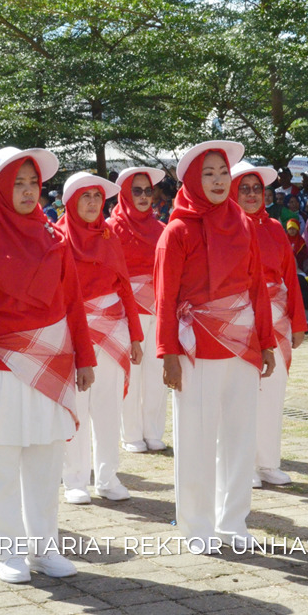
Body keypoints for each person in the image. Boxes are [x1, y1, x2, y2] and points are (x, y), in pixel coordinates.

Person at [0, 147, 96, 583]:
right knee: (1, 462)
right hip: (0, 369)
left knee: (46, 459)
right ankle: (9, 552)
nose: (29, 191)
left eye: (33, 182)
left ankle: (44, 549)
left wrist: (85, 357)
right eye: (18, 182)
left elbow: (73, 304)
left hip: (52, 362)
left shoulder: (54, 238)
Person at [154, 140, 275, 554]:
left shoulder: (243, 222)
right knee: (196, 440)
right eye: (208, 174)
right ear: (190, 179)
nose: (219, 181)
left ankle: (234, 521)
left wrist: (267, 341)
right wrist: (167, 353)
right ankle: (197, 526)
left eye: (223, 172)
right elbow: (164, 298)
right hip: (195, 349)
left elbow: (256, 284)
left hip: (242, 345)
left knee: (241, 438)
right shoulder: (177, 231)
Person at [57, 172, 143, 504]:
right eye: (85, 196)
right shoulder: (57, 238)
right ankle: (75, 479)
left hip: (113, 330)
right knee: (76, 406)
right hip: (72, 332)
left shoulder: (109, 237)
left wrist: (135, 336)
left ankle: (108, 477)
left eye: (97, 196)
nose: (93, 203)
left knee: (108, 409)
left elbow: (124, 287)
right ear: (70, 201)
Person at [231, 160, 307, 488]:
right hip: (240, 318)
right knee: (242, 394)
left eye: (256, 189)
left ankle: (268, 463)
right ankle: (241, 464)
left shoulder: (276, 228)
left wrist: (298, 321)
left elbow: (291, 276)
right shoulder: (227, 228)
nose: (251, 195)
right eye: (244, 189)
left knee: (273, 392)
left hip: (277, 319)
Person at [108, 166, 169, 453]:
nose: (144, 196)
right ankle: (131, 433)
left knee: (156, 371)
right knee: (130, 371)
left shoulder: (162, 229)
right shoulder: (111, 229)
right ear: (124, 193)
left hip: (158, 307)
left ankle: (153, 431)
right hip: (124, 309)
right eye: (137, 190)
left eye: (148, 190)